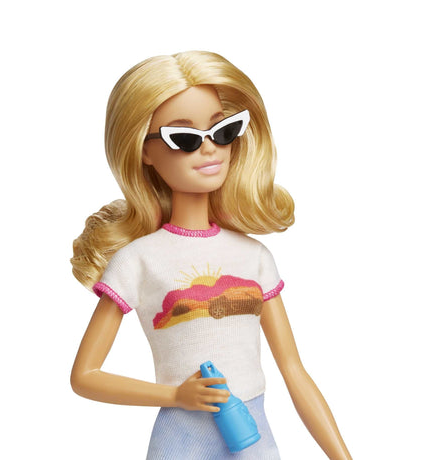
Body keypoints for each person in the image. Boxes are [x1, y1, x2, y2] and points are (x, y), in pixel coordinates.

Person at [70, 51, 352, 459]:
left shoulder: (254, 256)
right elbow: (85, 376)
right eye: (184, 138)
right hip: (182, 439)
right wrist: (175, 395)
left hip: (253, 433)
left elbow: (293, 370)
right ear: (144, 149)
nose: (210, 150)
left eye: (223, 131)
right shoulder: (138, 260)